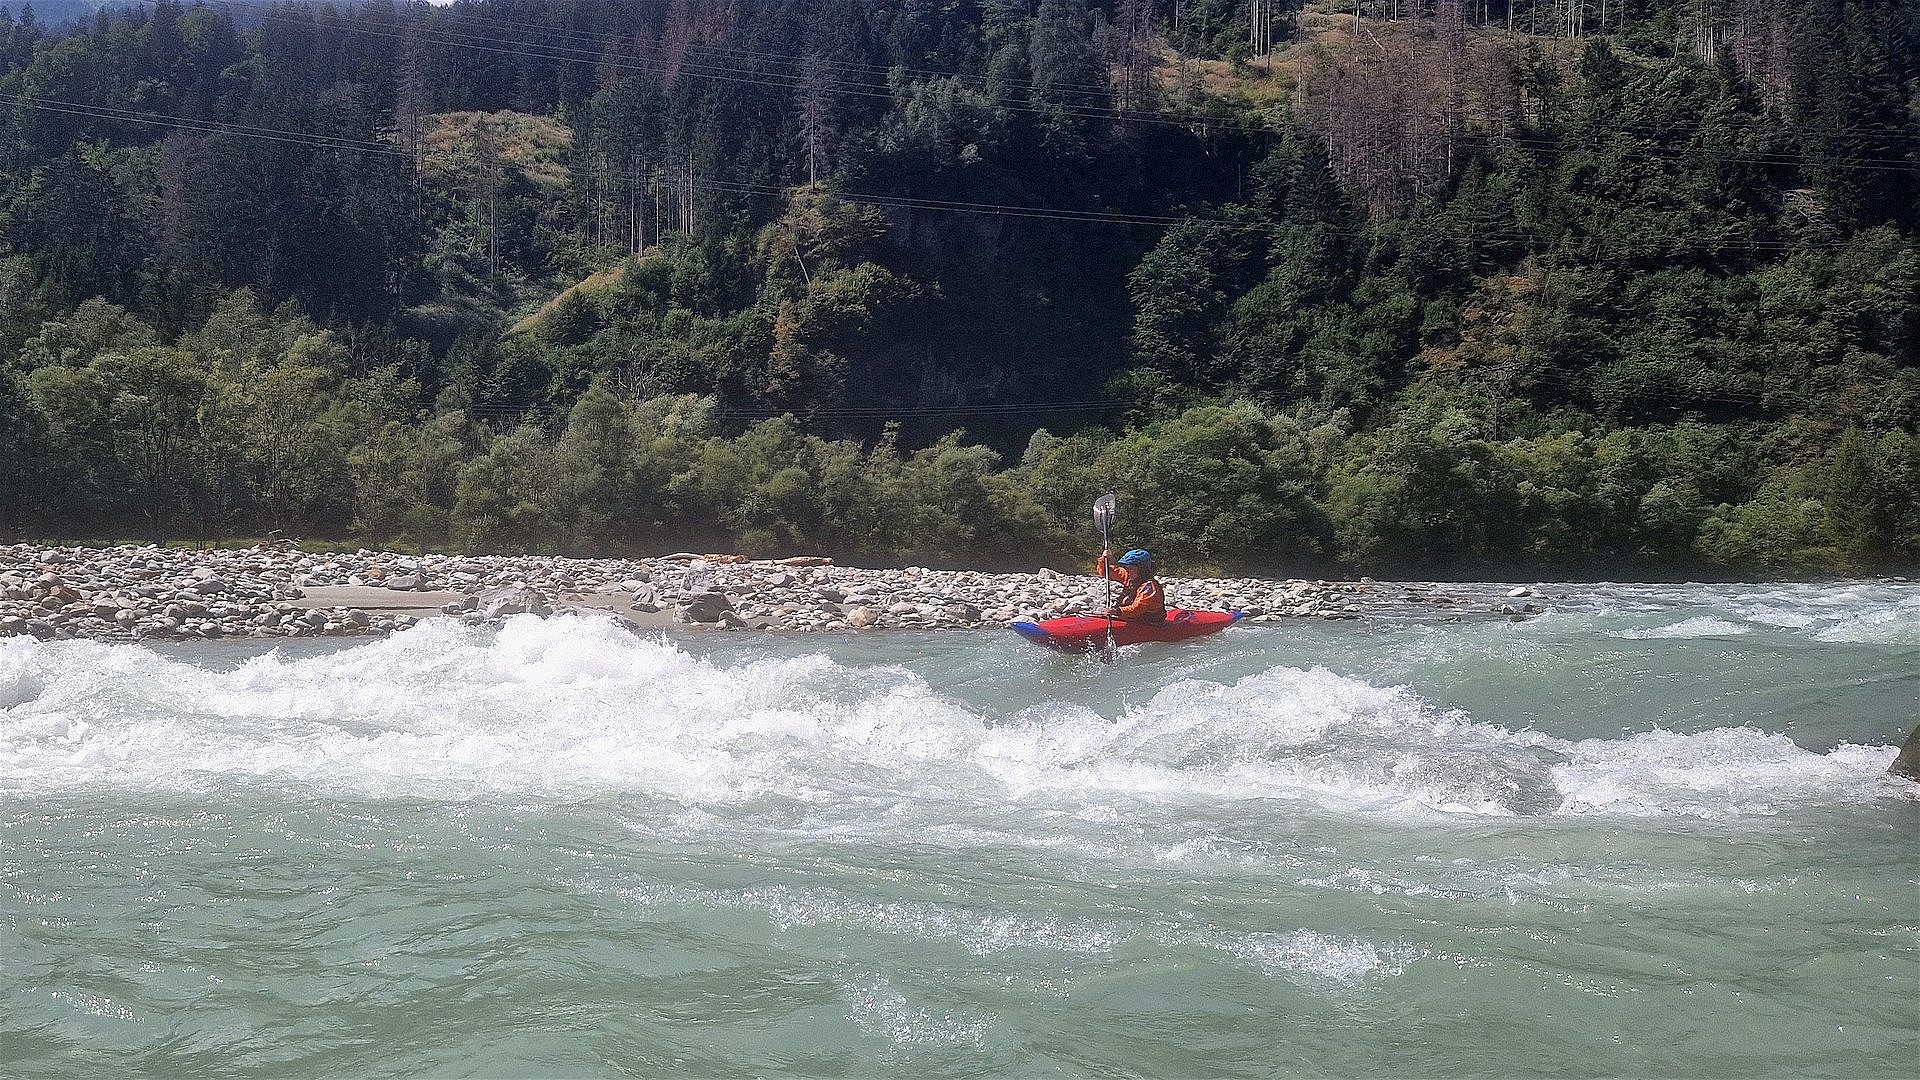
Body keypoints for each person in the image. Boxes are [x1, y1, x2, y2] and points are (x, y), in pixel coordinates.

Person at [1096, 547, 1166, 622]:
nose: (1128, 571)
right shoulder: (1129, 576)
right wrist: (1104, 559)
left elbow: (1137, 610)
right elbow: (1105, 572)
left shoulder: (1149, 587)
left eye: (1131, 568)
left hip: (1148, 623)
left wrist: (1117, 611)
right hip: (1131, 618)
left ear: (1142, 569)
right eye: (1126, 568)